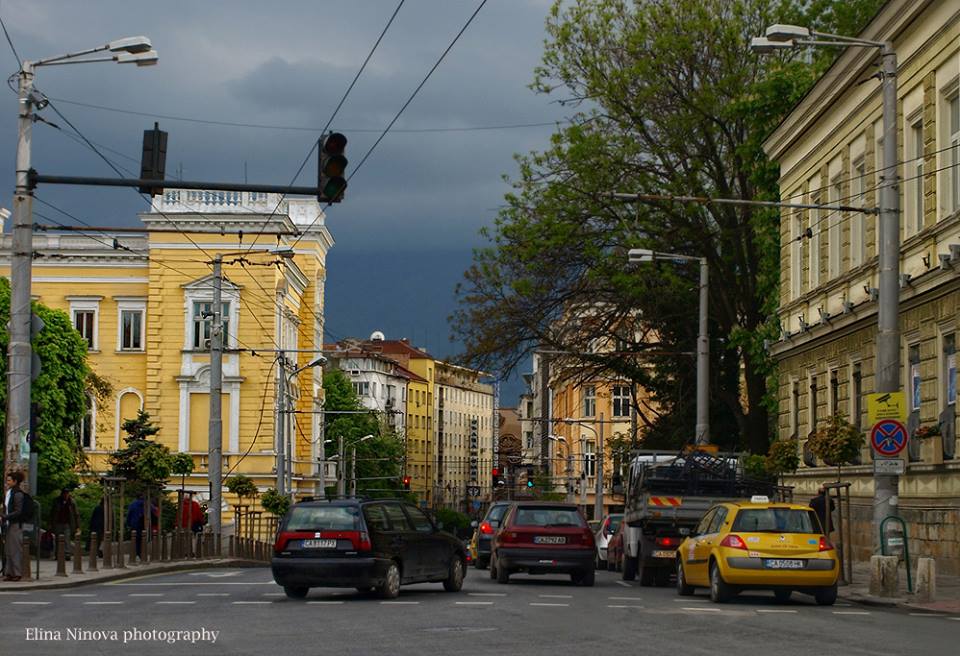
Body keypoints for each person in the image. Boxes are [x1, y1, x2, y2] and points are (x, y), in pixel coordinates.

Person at [2, 470, 27, 581]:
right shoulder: (10, 492)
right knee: (8, 549)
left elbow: (18, 511)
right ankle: (9, 572)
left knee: (15, 549)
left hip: (15, 524)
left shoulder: (18, 494)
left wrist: (4, 517)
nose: (7, 482)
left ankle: (17, 573)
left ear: (15, 481)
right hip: (9, 524)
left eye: (9, 480)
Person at [51, 488, 80, 559]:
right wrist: (51, 523)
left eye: (67, 493)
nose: (66, 495)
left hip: (68, 523)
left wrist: (77, 526)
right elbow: (52, 512)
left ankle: (67, 554)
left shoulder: (72, 502)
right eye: (64, 493)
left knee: (67, 539)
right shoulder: (57, 501)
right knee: (58, 539)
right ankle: (58, 554)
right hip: (58, 522)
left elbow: (76, 514)